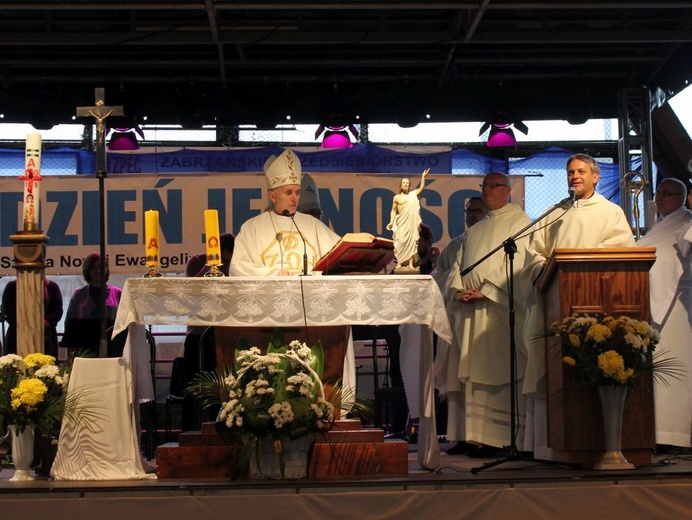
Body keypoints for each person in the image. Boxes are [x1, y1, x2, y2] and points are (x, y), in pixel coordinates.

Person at [520, 153, 635, 457]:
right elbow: (535, 253)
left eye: (581, 171)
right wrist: (541, 267)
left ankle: (594, 442)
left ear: (595, 177)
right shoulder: (555, 213)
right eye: (570, 172)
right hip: (557, 306)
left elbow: (623, 254)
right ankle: (550, 446)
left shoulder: (611, 213)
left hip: (598, 304)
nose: (575, 176)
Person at [443, 172, 531, 456]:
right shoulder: (475, 229)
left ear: (507, 191)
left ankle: (503, 439)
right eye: (484, 186)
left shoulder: (520, 222)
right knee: (475, 375)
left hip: (497, 310)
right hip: (470, 311)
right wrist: (457, 289)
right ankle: (477, 438)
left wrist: (489, 291)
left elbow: (520, 263)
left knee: (499, 373)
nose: (487, 190)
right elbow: (457, 264)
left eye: (493, 186)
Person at [636, 177, 691, 450]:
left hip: (677, 305)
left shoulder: (684, 223)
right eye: (658, 193)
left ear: (682, 198)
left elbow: (671, 258)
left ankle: (676, 435)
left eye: (667, 193)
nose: (660, 197)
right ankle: (659, 433)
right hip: (663, 306)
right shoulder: (662, 224)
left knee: (677, 370)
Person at [431, 196, 486, 454]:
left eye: (478, 211)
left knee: (477, 378)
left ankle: (482, 438)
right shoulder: (454, 246)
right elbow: (438, 279)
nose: (472, 215)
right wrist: (454, 292)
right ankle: (461, 436)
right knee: (457, 381)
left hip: (483, 319)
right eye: (469, 211)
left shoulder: (493, 243)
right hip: (456, 317)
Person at [230, 149, 340, 276]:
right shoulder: (252, 227)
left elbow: (339, 256)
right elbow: (239, 266)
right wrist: (274, 274)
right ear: (272, 196)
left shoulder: (313, 225)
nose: (295, 198)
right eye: (288, 192)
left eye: (297, 192)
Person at [181, 233, 235, 432]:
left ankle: (220, 432)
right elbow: (191, 290)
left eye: (228, 261)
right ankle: (187, 432)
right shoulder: (196, 262)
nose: (225, 265)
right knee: (193, 387)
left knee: (221, 388)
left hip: (224, 334)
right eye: (224, 259)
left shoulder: (235, 266)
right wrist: (212, 264)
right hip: (197, 333)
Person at [62, 252, 122, 356]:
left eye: (100, 267)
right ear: (88, 270)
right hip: (84, 351)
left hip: (111, 350)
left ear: (106, 269)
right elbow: (69, 324)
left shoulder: (117, 293)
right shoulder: (78, 294)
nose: (97, 271)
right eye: (93, 267)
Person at [1, 279, 63, 358]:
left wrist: (46, 322)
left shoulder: (52, 287)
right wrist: (25, 324)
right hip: (16, 336)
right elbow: (8, 311)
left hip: (46, 337)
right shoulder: (12, 286)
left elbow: (57, 311)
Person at [386, 169, 429, 270]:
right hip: (401, 223)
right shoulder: (396, 198)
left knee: (412, 243)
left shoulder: (413, 195)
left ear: (409, 186)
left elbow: (421, 188)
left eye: (407, 183)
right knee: (400, 242)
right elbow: (393, 211)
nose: (405, 185)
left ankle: (410, 264)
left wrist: (423, 177)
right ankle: (401, 262)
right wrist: (391, 222)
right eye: (403, 183)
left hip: (411, 224)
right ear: (400, 186)